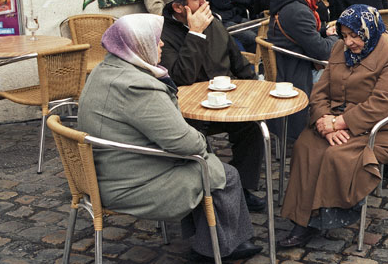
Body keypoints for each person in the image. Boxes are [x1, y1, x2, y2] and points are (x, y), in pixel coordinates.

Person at [77, 14, 261, 262]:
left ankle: (214, 239)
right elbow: (185, 143)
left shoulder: (105, 69)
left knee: (204, 160)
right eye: (155, 40)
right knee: (221, 171)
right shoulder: (137, 86)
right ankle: (218, 249)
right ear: (137, 46)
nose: (162, 44)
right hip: (126, 183)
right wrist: (201, 138)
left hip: (104, 170)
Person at [278, 4, 388, 248]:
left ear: (369, 30)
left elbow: (382, 104)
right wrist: (323, 122)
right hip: (337, 122)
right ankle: (303, 220)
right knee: (305, 145)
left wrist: (339, 123)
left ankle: (323, 216)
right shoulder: (340, 49)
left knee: (336, 154)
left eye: (354, 35)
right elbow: (320, 91)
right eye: (344, 35)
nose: (349, 42)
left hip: (385, 129)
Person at [157, 0, 268, 211]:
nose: (205, 3)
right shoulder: (162, 34)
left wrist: (256, 93)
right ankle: (209, 196)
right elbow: (180, 78)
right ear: (178, 7)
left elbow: (238, 62)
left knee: (252, 126)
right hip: (189, 113)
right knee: (195, 143)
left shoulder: (214, 23)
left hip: (226, 103)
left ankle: (241, 188)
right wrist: (195, 34)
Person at [267, 0, 339, 140]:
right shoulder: (299, 11)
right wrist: (337, 37)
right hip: (296, 71)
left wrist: (323, 31)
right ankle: (334, 127)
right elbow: (322, 51)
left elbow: (303, 33)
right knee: (346, 77)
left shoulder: (293, 2)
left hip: (290, 63)